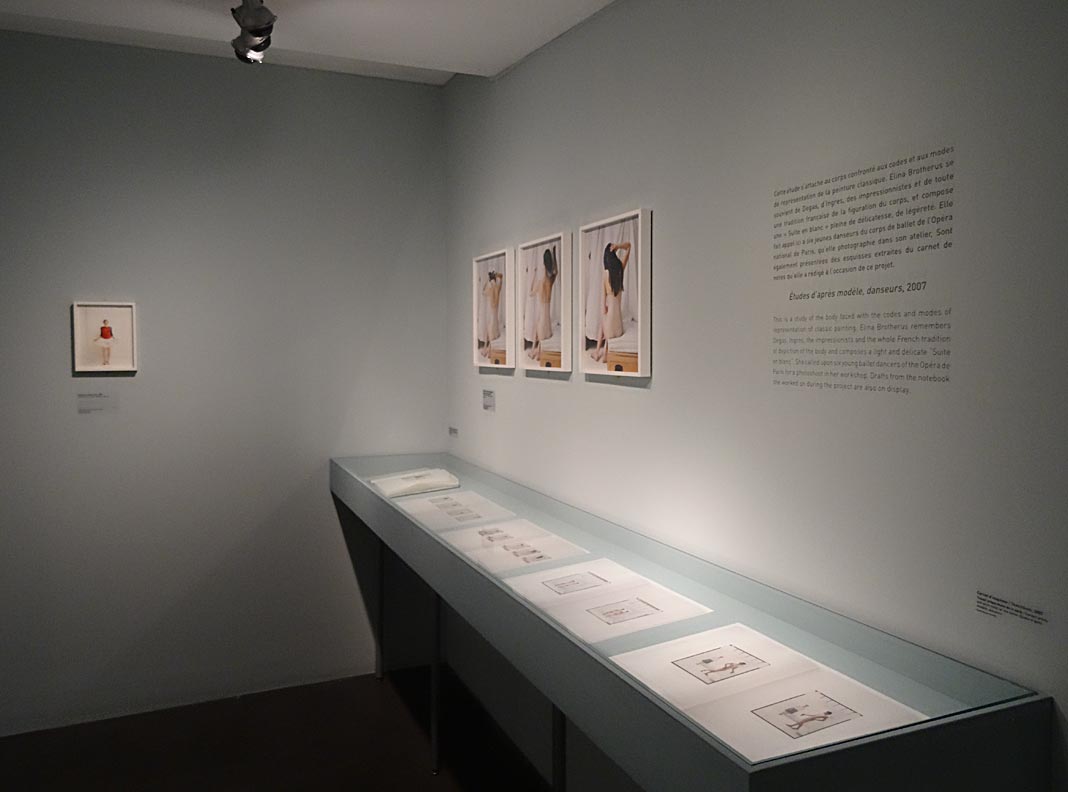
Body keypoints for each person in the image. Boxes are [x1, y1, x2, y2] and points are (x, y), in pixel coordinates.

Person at [591, 241, 630, 362]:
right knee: (606, 320)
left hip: (610, 330)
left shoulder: (605, 274)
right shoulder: (620, 269)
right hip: (619, 327)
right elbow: (629, 247)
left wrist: (605, 314)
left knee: (603, 320)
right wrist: (618, 246)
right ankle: (603, 352)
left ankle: (600, 352)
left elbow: (602, 304)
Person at [528, 247, 558, 360]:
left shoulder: (540, 282)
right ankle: (534, 349)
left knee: (538, 324)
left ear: (543, 264)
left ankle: (536, 351)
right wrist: (554, 255)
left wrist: (533, 275)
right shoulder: (550, 280)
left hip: (542, 323)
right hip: (548, 324)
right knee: (538, 324)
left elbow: (530, 293)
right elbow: (556, 272)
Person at [480, 271, 502, 358]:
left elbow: (483, 292)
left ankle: (488, 350)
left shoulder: (491, 289)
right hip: (495, 314)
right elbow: (501, 277)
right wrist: (497, 277)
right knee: (490, 331)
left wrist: (487, 281)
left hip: (492, 313)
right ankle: (487, 349)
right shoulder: (498, 288)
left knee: (489, 331)